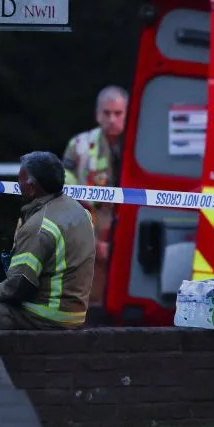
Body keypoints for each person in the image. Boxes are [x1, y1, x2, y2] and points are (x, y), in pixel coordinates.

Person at [0, 151, 95, 330]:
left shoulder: (39, 227)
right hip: (74, 314)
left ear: (31, 187)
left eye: (19, 180)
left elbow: (17, 288)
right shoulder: (80, 211)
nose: (17, 184)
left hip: (45, 315)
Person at [62, 85, 128, 304]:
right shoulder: (80, 146)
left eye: (118, 113)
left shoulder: (141, 147)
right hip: (90, 233)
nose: (112, 119)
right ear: (97, 114)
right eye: (107, 113)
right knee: (90, 300)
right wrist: (94, 241)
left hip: (128, 235)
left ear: (127, 114)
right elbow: (67, 198)